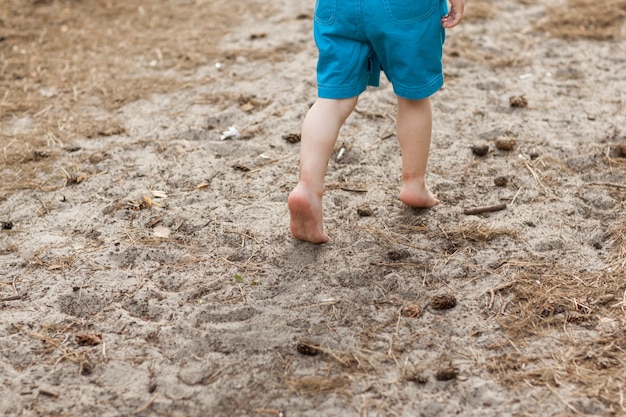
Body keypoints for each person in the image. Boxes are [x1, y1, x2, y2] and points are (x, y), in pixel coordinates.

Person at [288, 0, 465, 244]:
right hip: (405, 9)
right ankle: (414, 184)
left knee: (332, 100)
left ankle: (308, 186)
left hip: (339, 8)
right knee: (414, 96)